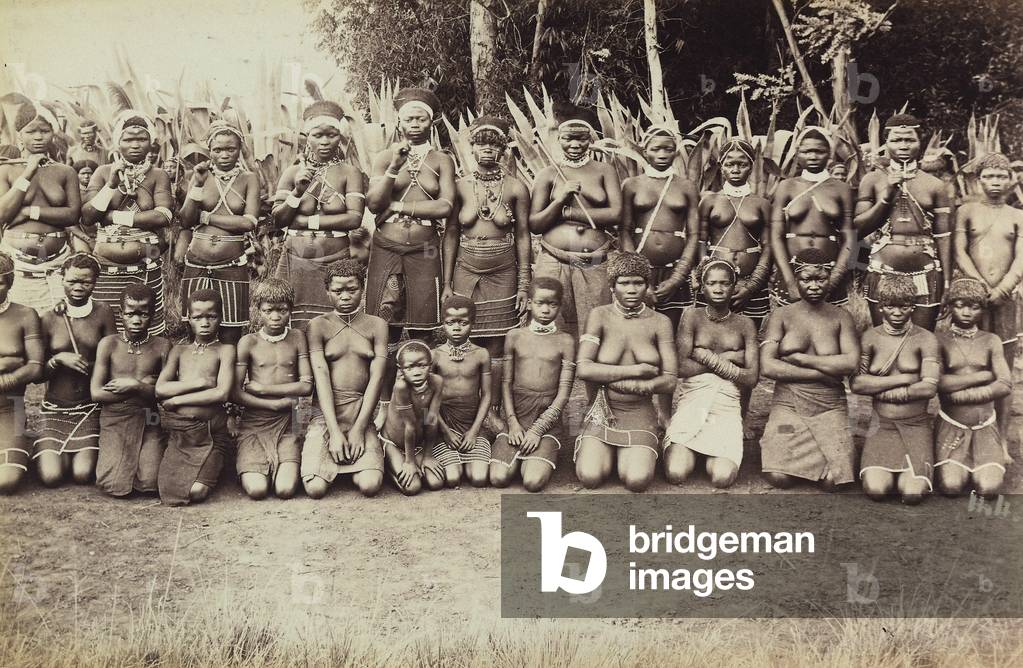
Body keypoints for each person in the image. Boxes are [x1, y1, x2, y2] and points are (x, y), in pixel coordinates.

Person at [443, 115, 531, 405]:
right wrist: (446, 283)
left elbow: (522, 236)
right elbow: (452, 232)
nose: (488, 150)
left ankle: (492, 407)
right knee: (462, 334)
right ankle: (462, 402)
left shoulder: (517, 188)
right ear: (471, 148)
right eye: (481, 144)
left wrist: (524, 283)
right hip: (465, 269)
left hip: (503, 271)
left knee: (497, 340)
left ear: (503, 149)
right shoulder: (459, 186)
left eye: (494, 145)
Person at [575, 251, 678, 492]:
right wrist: (637, 370)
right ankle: (605, 452)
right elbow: (584, 368)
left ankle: (627, 455)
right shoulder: (599, 316)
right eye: (624, 283)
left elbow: (670, 380)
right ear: (612, 286)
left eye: (638, 282)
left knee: (636, 481)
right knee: (590, 477)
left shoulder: (660, 322)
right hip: (603, 409)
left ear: (647, 286)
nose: (631, 289)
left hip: (640, 410)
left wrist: (642, 387)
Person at [759, 247, 860, 491]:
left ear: (830, 279)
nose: (814, 285)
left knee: (833, 482)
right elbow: (768, 365)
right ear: (796, 280)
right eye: (806, 279)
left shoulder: (841, 317)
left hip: (830, 405)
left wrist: (803, 360)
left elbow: (851, 363)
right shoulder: (781, 316)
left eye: (820, 279)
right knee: (778, 477)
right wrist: (822, 372)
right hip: (788, 405)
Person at [366, 88, 454, 342]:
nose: (415, 125)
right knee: (384, 321)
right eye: (409, 119)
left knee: (423, 323)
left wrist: (396, 207)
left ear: (432, 122)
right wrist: (394, 167)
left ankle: (419, 378)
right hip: (386, 246)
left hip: (425, 247)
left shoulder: (442, 160)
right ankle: (386, 380)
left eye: (421, 119)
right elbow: (373, 203)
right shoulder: (384, 158)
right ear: (399, 122)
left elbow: (445, 206)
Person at [663, 259, 758, 488]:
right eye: (712, 283)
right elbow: (681, 368)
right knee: (676, 473)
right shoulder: (692, 317)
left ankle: (710, 452)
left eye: (725, 283)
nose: (718, 289)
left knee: (722, 478)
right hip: (693, 401)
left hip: (726, 406)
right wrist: (727, 359)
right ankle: (689, 450)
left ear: (734, 286)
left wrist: (703, 355)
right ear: (702, 286)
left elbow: (752, 377)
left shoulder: (745, 324)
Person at [272, 101, 367, 329]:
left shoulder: (349, 173)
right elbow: (278, 219)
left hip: (335, 258)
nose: (324, 142)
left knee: (334, 326)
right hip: (295, 258)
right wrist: (297, 191)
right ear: (307, 136)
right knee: (289, 323)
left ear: (340, 137)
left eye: (331, 135)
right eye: (318, 135)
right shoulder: (293, 172)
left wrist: (307, 221)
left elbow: (354, 218)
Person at [530, 106, 623, 337]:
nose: (575, 144)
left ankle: (587, 371)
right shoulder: (548, 174)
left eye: (581, 138)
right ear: (559, 138)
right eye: (568, 138)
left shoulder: (605, 171)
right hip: (553, 258)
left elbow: (616, 215)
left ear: (591, 139)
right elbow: (535, 224)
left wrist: (569, 214)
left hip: (592, 261)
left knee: (594, 324)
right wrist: (560, 199)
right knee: (551, 321)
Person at [856, 113, 953, 330]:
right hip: (883, 271)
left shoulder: (935, 185)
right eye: (896, 140)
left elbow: (944, 237)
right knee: (884, 340)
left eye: (909, 139)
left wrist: (947, 282)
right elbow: (858, 229)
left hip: (926, 272)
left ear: (920, 142)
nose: (903, 145)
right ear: (886, 143)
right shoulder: (872, 180)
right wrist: (887, 194)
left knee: (921, 338)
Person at [302, 260, 388, 498]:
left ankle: (355, 460)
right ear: (327, 292)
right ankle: (333, 458)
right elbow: (320, 378)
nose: (345, 296)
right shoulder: (317, 326)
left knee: (370, 485)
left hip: (362, 411)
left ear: (363, 288)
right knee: (315, 489)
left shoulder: (377, 325)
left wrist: (360, 428)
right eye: (338, 291)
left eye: (352, 289)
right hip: (326, 414)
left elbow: (377, 377)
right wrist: (335, 431)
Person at [851, 275, 940, 504]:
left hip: (916, 425)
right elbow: (858, 384)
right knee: (876, 490)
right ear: (880, 307)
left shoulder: (926, 339)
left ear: (913, 306)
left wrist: (879, 387)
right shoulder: (870, 337)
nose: (897, 312)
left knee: (911, 494)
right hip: (881, 426)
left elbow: (928, 387)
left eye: (904, 306)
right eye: (890, 306)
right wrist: (904, 379)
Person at [82, 110, 173, 334]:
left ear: (151, 143)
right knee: (107, 329)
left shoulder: (158, 175)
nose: (135, 145)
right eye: (128, 139)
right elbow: (88, 217)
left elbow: (163, 217)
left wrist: (113, 216)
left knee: (146, 330)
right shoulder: (103, 173)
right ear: (117, 143)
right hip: (105, 266)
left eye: (141, 139)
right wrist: (111, 185)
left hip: (147, 263)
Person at [953, 152, 1023, 440]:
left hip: (1005, 300)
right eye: (989, 176)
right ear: (978, 180)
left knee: (1003, 369)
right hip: (972, 299)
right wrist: (980, 286)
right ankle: (967, 431)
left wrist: (1004, 287)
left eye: (1001, 176)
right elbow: (959, 251)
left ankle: (1002, 438)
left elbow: (1021, 257)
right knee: (969, 362)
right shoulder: (966, 211)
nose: (995, 182)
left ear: (1012, 180)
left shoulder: (1018, 215)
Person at [35, 253, 116, 486]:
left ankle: (75, 455)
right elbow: (38, 375)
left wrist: (90, 366)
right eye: (72, 281)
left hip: (89, 408)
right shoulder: (48, 318)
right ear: (61, 278)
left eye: (86, 282)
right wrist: (58, 359)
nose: (78, 287)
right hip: (54, 408)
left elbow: (114, 360)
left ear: (96, 282)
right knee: (51, 477)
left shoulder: (103, 312)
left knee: (82, 474)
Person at [489, 277, 576, 492]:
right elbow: (506, 383)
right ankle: (517, 454)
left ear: (559, 305)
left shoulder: (566, 341)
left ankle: (537, 455)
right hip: (516, 415)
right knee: (499, 478)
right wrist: (512, 423)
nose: (546, 309)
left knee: (532, 482)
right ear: (528, 303)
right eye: (540, 303)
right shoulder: (514, 336)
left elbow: (563, 395)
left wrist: (537, 430)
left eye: (552, 304)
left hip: (546, 419)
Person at [179, 121, 260, 344]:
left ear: (240, 149)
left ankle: (227, 377)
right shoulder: (198, 176)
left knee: (231, 331)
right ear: (209, 151)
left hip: (232, 265)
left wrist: (206, 217)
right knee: (194, 328)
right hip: (197, 262)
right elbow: (185, 220)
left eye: (230, 149)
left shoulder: (249, 179)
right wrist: (197, 184)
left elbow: (248, 223)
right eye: (217, 150)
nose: (224, 154)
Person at [233, 279, 312, 500]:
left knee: (285, 490)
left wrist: (263, 388)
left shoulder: (297, 337)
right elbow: (235, 392)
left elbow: (306, 385)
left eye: (282, 310)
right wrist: (274, 403)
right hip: (255, 422)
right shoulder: (248, 342)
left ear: (291, 310)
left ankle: (290, 459)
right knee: (257, 490)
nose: (275, 317)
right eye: (268, 311)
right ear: (257, 310)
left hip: (290, 421)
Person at [0, 100, 82, 312]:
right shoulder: (6, 170)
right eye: (31, 131)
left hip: (57, 264)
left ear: (53, 133)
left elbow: (72, 215)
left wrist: (29, 212)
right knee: (20, 324)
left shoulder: (65, 171)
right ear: (19, 134)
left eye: (44, 131)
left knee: (57, 328)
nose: (38, 137)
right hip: (18, 265)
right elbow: (2, 214)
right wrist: (28, 171)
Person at [934, 278, 1013, 498]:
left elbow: (1005, 384)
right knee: (951, 486)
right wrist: (984, 376)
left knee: (989, 489)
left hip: (985, 427)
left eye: (974, 307)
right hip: (952, 426)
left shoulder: (991, 340)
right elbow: (938, 382)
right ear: (950, 307)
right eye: (960, 305)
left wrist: (960, 395)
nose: (967, 312)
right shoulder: (939, 340)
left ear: (983, 309)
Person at [154, 289, 234, 505]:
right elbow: (160, 389)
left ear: (221, 318)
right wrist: (200, 383)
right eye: (198, 317)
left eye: (211, 316)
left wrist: (178, 400)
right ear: (188, 318)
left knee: (196, 492)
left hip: (210, 434)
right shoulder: (179, 351)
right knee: (162, 488)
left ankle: (219, 461)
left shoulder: (225, 351)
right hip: (181, 434)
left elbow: (221, 393)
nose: (205, 322)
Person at [91, 284, 171, 497]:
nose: (136, 320)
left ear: (152, 315)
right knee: (113, 485)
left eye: (143, 314)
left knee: (149, 483)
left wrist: (136, 385)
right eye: (130, 314)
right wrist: (141, 386)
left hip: (149, 417)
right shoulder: (109, 344)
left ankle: (143, 460)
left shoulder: (162, 346)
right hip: (114, 416)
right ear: (121, 314)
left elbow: (163, 394)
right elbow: (96, 393)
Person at [620, 124, 700, 334]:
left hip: (675, 270)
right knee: (637, 331)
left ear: (676, 151)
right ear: (645, 152)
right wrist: (637, 275)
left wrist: (677, 278)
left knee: (673, 331)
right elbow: (625, 230)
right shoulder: (631, 184)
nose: (662, 154)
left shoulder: (687, 186)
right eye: (655, 149)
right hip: (639, 272)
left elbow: (694, 235)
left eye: (668, 149)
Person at [770, 126, 854, 307]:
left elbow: (849, 237)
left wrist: (835, 277)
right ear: (798, 154)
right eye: (807, 151)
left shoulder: (841, 188)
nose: (813, 156)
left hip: (830, 270)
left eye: (819, 151)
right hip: (792, 270)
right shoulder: (786, 186)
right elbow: (776, 236)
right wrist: (790, 281)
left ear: (830, 154)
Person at [698, 138, 773, 330]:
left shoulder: (762, 204)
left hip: (752, 282)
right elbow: (699, 241)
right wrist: (705, 274)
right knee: (712, 332)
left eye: (742, 164)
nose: (736, 169)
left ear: (751, 167)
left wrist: (752, 286)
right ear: (721, 166)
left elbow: (768, 248)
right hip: (715, 282)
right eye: (730, 164)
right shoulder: (709, 201)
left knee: (749, 334)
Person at [431, 295, 493, 487]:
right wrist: (445, 432)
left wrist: (474, 431)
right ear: (443, 323)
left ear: (473, 323)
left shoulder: (481, 354)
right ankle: (454, 459)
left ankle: (470, 455)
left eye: (463, 322)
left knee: (479, 478)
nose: (456, 327)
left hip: (472, 425)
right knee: (452, 478)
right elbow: (427, 400)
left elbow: (487, 395)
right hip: (443, 427)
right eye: (450, 323)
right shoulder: (435, 356)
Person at [0, 252, 45, 494]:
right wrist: (6, 363)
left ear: (10, 282)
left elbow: (36, 368)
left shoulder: (26, 314)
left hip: (11, 407)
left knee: (6, 481)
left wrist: (6, 380)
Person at [381, 340, 446, 495]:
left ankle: (413, 462)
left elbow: (430, 419)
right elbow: (409, 426)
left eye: (422, 366)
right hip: (394, 442)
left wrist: (428, 455)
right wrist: (409, 462)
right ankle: (389, 467)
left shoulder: (437, 382)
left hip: (415, 442)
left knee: (436, 483)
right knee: (412, 487)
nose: (416, 372)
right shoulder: (401, 387)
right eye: (410, 367)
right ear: (401, 369)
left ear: (431, 365)